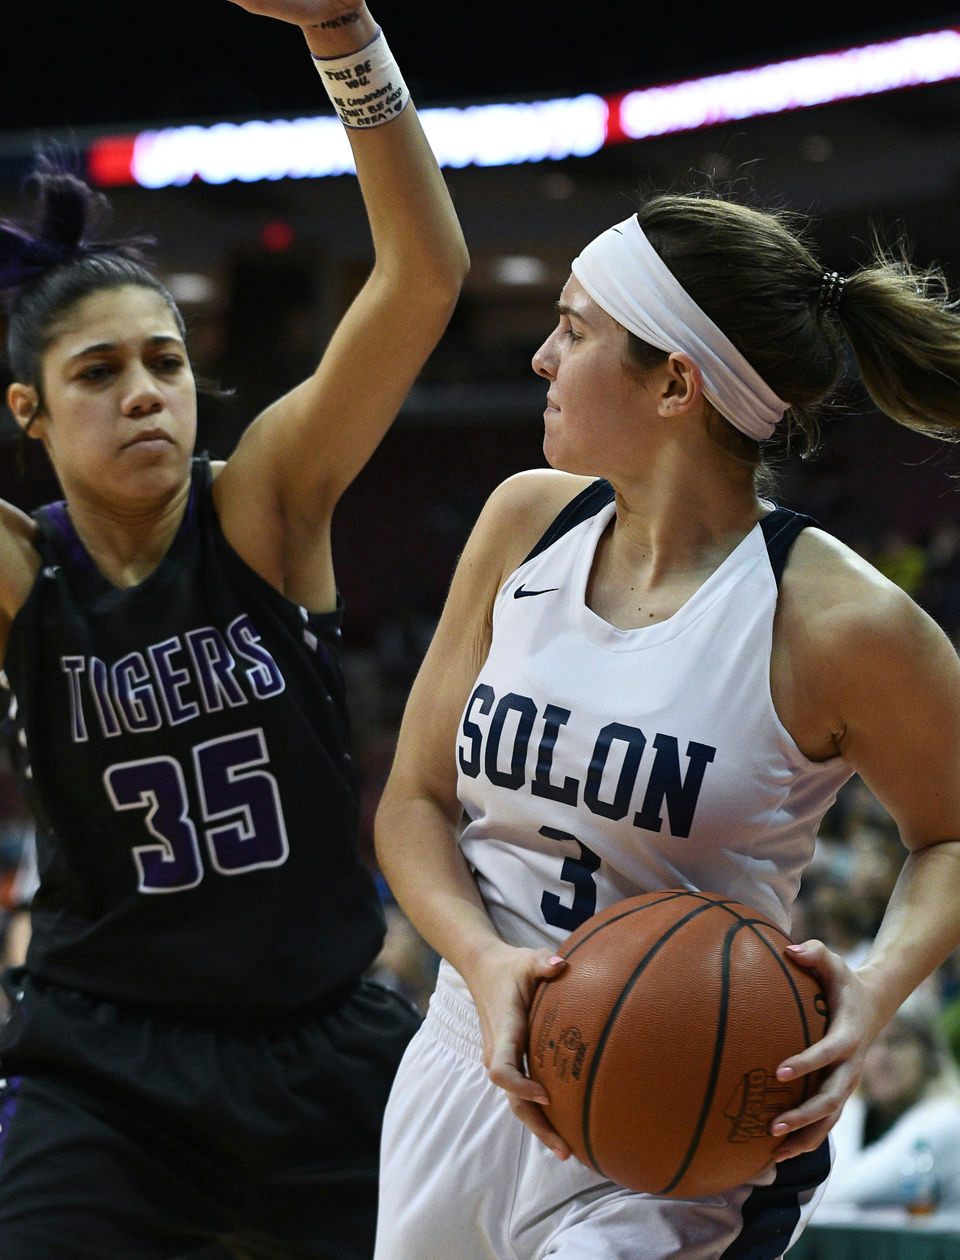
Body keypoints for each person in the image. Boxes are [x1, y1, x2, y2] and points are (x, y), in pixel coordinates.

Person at [371, 191, 960, 1258]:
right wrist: (483, 961)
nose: (542, 358)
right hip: (466, 1060)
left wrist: (871, 993)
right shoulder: (522, 520)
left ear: (676, 383)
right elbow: (411, 804)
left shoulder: (839, 619)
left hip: (681, 1122)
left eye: (575, 328)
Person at [0, 0, 468, 1255]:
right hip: (106, 1073)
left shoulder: (264, 503)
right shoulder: (20, 569)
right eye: (97, 375)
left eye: (164, 360)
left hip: (326, 1043)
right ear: (30, 415)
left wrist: (345, 35)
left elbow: (423, 279)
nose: (145, 393)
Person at [819, 1003, 960, 1210]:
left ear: (928, 1055)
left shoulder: (944, 1118)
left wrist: (845, 1100)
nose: (880, 1058)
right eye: (871, 1043)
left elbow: (831, 1192)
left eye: (896, 1042)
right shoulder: (871, 1116)